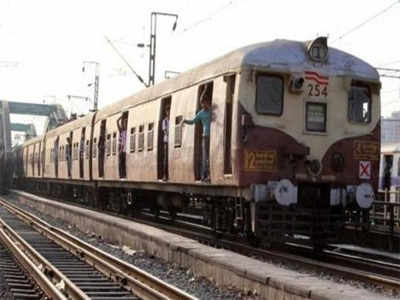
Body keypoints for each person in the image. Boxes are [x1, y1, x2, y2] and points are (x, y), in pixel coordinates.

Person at [182, 96, 211, 182]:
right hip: (205, 136)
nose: (204, 105)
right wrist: (185, 121)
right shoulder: (200, 113)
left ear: (207, 102)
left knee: (209, 156)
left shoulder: (211, 111)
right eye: (202, 103)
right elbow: (193, 122)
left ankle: (208, 175)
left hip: (213, 136)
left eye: (205, 102)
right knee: (205, 156)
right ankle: (204, 176)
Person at [161, 106, 170, 181]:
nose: (168, 112)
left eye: (169, 110)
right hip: (167, 141)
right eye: (167, 111)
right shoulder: (165, 121)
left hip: (172, 141)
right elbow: (165, 131)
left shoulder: (172, 119)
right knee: (166, 158)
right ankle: (165, 175)